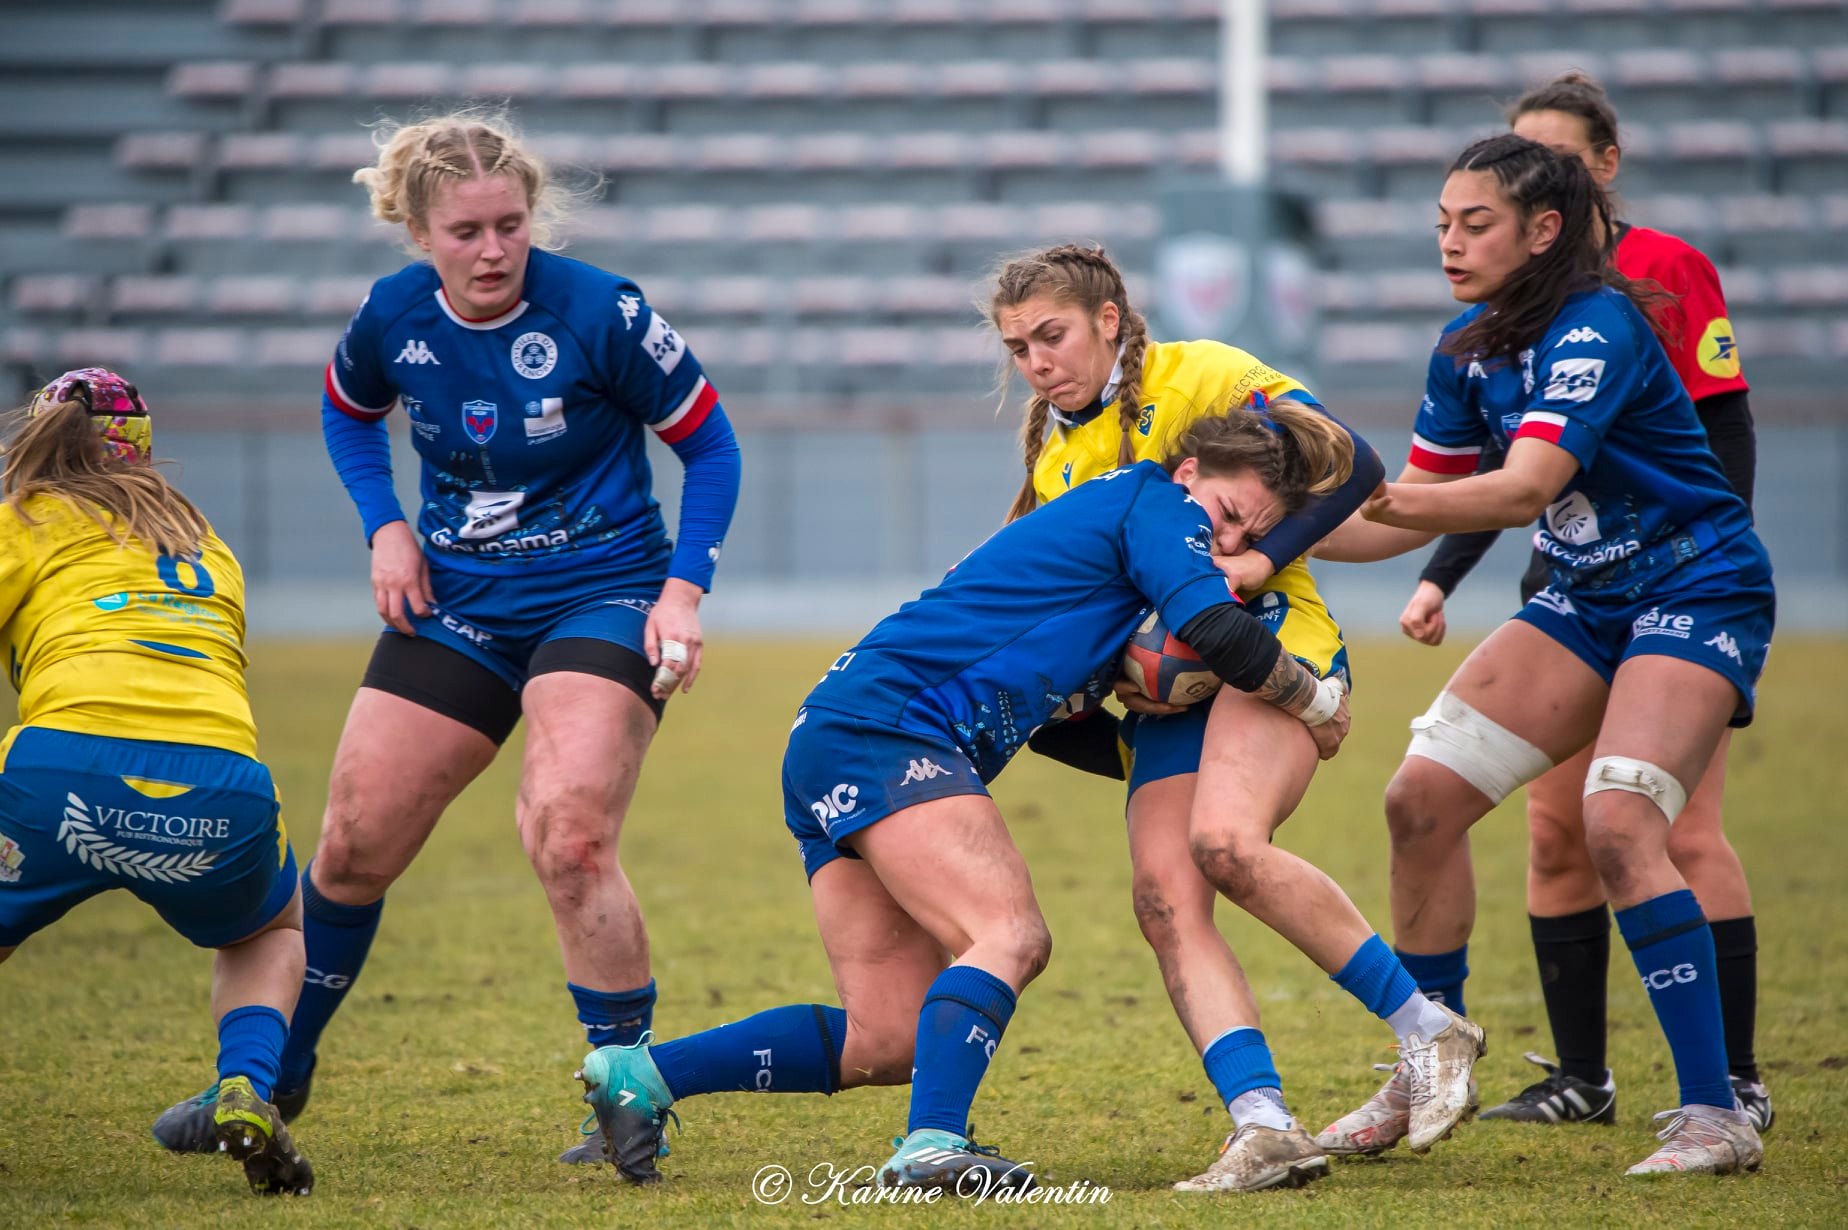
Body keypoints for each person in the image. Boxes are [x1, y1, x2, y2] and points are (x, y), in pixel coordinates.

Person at [568, 411, 1442, 1194]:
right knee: (1010, 935)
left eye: (1250, 532)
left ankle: (643, 1074)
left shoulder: (1103, 545)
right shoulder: (1157, 506)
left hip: (835, 735)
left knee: (890, 1037)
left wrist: (1172, 749)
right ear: (1188, 474)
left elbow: (1058, 730)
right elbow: (1214, 627)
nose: (1224, 540)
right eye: (1226, 514)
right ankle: (932, 1144)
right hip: (892, 730)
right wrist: (1312, 701)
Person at [151, 110, 742, 1182]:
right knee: (352, 841)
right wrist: (385, 525)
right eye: (466, 230)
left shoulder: (600, 310)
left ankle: (627, 1089)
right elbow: (345, 412)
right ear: (419, 228)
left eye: (510, 225)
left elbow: (711, 443)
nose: (493, 250)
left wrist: (682, 591)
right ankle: (273, 1077)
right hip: (459, 603)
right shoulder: (389, 317)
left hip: (601, 594)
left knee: (567, 833)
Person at [1314, 134, 1772, 1178]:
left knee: (1617, 822)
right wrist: (1263, 542)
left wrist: (1355, 491)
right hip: (1582, 599)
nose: (1450, 241)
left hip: (1695, 588)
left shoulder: (1598, 322)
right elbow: (1408, 518)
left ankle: (1715, 1112)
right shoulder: (1466, 344)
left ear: (1544, 229)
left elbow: (1522, 489)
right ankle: (1433, 1059)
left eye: (1475, 223)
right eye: (1440, 222)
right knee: (1416, 802)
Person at [982, 244, 1481, 1192]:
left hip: (1273, 653)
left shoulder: (1200, 374)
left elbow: (1351, 460)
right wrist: (1109, 685)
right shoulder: (1057, 458)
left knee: (1226, 843)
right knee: (1164, 897)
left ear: (1111, 322)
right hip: (1172, 696)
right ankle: (1264, 1126)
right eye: (1019, 347)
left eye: (1052, 335)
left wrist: (1258, 563)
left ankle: (1431, 1031)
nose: (1038, 362)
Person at [0, 368, 312, 1196]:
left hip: (65, 766)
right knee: (271, 930)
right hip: (226, 786)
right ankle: (247, 1082)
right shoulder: (203, 537)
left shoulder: (24, 517)